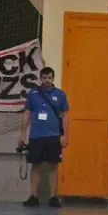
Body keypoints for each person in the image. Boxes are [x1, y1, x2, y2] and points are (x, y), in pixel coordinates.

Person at [18, 67, 69, 207]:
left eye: (49, 78)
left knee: (53, 167)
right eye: (44, 78)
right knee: (35, 166)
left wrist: (65, 135)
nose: (47, 80)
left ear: (53, 78)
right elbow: (27, 113)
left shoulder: (60, 95)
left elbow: (65, 115)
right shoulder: (33, 94)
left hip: (53, 136)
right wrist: (23, 133)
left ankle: (53, 197)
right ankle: (33, 196)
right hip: (36, 136)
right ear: (40, 78)